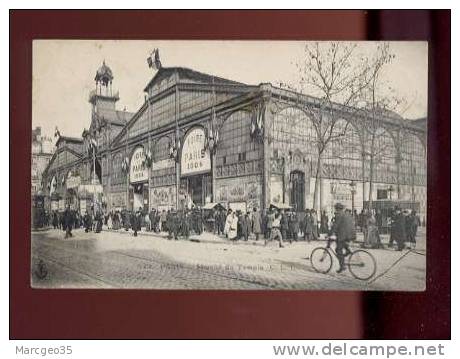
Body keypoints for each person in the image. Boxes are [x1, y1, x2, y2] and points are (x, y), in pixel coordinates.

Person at [329, 203, 356, 273]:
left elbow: (335, 226)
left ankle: (342, 266)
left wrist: (330, 233)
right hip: (351, 234)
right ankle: (348, 250)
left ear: (337, 209)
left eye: (336, 209)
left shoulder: (339, 215)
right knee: (343, 244)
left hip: (344, 235)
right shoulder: (347, 214)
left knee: (338, 250)